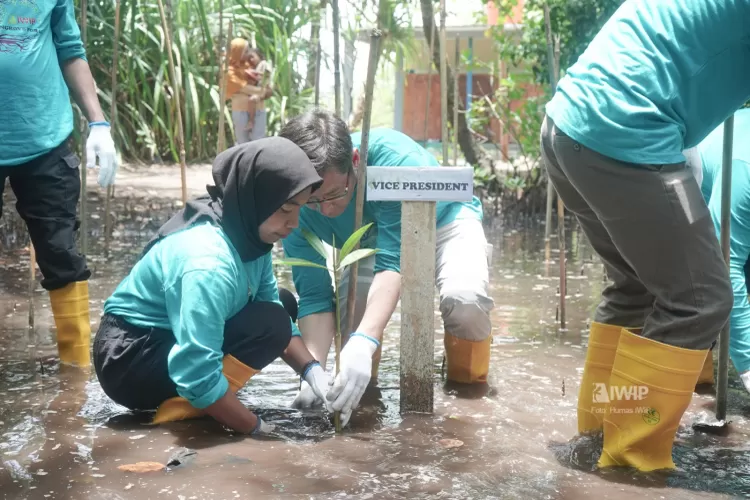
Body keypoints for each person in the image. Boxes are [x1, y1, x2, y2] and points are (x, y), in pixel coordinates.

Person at [540, 0, 744, 472]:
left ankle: (595, 441)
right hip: (625, 130)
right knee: (700, 299)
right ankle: (630, 465)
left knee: (634, 288)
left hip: (568, 125)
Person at [93, 137, 335, 435]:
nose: (294, 223)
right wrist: (259, 428)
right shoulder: (208, 262)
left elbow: (271, 303)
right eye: (285, 209)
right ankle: (192, 404)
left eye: (299, 209)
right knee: (269, 324)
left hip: (165, 336)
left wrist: (312, 372)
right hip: (129, 360)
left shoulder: (248, 232)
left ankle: (212, 398)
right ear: (255, 198)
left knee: (280, 305)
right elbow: (196, 369)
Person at [279, 109, 494, 427]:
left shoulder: (393, 161)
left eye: (336, 194)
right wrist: (311, 370)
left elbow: (392, 265)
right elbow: (314, 295)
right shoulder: (291, 202)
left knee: (465, 300)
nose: (325, 210)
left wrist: (367, 340)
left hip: (444, 219)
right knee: (352, 329)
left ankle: (468, 393)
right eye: (312, 200)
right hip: (371, 238)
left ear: (354, 161)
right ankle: (362, 402)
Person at [1, 0, 118, 367]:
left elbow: (70, 51)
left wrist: (98, 122)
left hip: (44, 139)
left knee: (62, 253)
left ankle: (76, 373)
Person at [685, 108, 750, 394]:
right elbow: (727, 265)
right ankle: (694, 382)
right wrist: (748, 365)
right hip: (692, 184)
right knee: (697, 292)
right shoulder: (743, 172)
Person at [225, 39, 273, 145]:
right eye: (245, 51)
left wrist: (264, 91)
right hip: (240, 111)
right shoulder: (228, 72)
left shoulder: (252, 65)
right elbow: (246, 88)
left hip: (259, 110)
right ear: (237, 52)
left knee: (258, 143)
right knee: (242, 144)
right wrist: (262, 91)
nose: (249, 55)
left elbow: (269, 88)